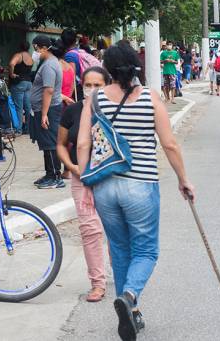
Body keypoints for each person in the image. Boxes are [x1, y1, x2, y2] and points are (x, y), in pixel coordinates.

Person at [76, 42, 195, 341]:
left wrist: (86, 182)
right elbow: (169, 144)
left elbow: (82, 144)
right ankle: (128, 297)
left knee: (119, 248)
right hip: (140, 185)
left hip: (104, 186)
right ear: (135, 66)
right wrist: (184, 180)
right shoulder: (151, 99)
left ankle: (133, 312)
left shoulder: (95, 99)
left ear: (108, 70)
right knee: (146, 250)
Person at [56, 66, 110, 303]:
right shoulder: (72, 112)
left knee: (116, 230)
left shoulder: (115, 111)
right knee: (90, 230)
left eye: (98, 85)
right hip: (81, 179)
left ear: (107, 86)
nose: (92, 89)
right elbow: (60, 144)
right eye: (88, 85)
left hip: (110, 178)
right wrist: (71, 166)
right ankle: (98, 283)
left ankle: (121, 271)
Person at [30, 35, 64, 189]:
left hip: (48, 110)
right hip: (45, 109)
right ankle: (49, 173)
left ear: (43, 48)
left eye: (35, 48)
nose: (34, 52)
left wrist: (44, 114)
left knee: (49, 142)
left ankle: (56, 176)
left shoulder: (49, 65)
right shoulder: (48, 63)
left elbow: (49, 90)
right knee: (45, 142)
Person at [7, 41, 34, 132]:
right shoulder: (30, 57)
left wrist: (11, 74)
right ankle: (28, 128)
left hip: (19, 83)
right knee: (28, 107)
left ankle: (18, 129)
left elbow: (11, 64)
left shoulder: (19, 55)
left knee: (19, 106)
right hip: (29, 83)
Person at [54, 40, 76, 106]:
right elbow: (73, 86)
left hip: (56, 102)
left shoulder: (54, 66)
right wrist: (68, 97)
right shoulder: (70, 67)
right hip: (68, 101)